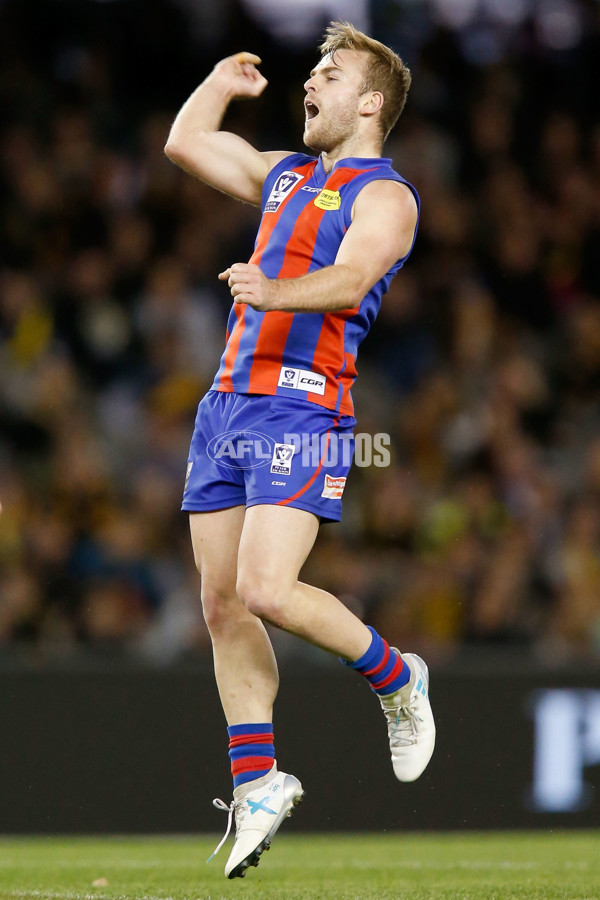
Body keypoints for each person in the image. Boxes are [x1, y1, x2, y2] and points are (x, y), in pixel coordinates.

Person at [164, 21, 435, 880]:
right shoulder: (286, 173)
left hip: (302, 410)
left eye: (330, 72)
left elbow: (352, 281)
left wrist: (271, 288)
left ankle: (396, 678)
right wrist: (216, 80)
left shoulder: (387, 196)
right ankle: (257, 784)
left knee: (265, 587)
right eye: (311, 69)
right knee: (220, 604)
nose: (309, 81)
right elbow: (184, 143)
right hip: (226, 407)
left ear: (368, 103)